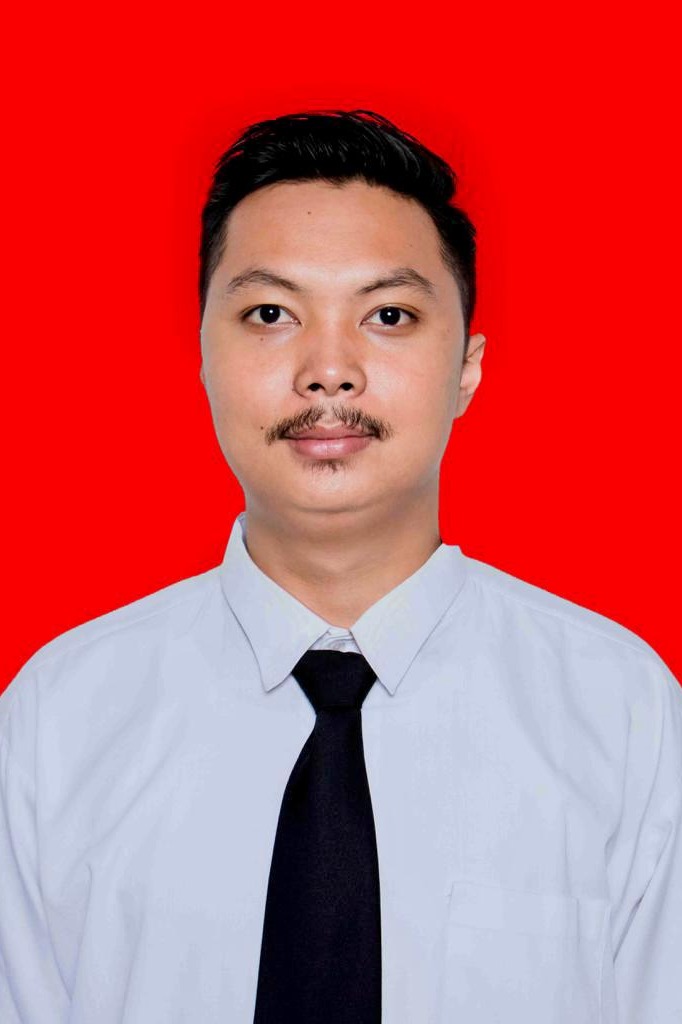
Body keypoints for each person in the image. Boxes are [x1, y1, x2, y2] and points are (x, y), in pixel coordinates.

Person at [1, 108, 680, 1024]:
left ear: (468, 367)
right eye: (270, 314)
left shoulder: (624, 714)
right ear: (202, 354)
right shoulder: (57, 720)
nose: (329, 370)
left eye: (389, 315)